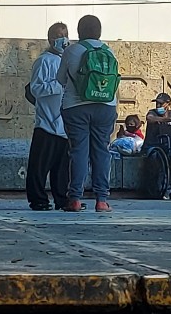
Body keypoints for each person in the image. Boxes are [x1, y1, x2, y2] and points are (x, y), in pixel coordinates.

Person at [57, 14, 118, 213]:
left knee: (79, 152)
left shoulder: (72, 50)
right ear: (99, 32)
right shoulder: (110, 51)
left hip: (76, 107)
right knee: (102, 151)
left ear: (79, 31)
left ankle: (74, 199)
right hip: (106, 107)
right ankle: (101, 200)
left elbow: (60, 80)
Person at [26, 22, 71, 211]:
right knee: (39, 166)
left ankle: (62, 199)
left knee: (62, 168)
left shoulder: (68, 59)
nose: (64, 39)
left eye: (66, 34)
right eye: (59, 35)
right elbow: (35, 88)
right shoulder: (44, 61)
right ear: (51, 39)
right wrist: (58, 85)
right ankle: (38, 199)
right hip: (46, 122)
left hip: (64, 124)